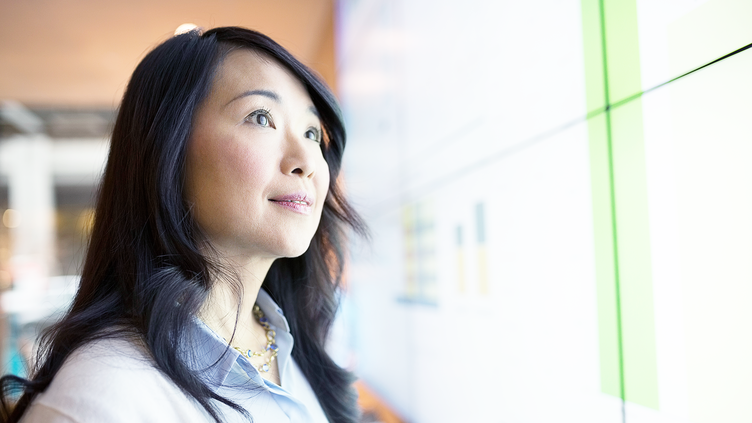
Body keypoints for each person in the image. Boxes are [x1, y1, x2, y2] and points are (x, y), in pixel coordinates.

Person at [0, 26, 365, 423]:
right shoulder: (100, 401)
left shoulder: (288, 343)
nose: (307, 161)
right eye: (261, 118)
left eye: (312, 133)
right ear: (167, 151)